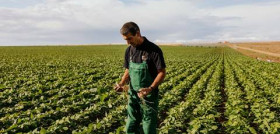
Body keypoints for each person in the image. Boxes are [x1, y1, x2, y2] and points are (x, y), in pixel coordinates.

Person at [114, 21, 166, 134]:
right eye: (125, 40)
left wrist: (150, 88)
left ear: (138, 33)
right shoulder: (129, 50)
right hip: (133, 93)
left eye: (130, 38)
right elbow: (128, 69)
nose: (128, 42)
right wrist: (121, 83)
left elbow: (161, 72)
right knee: (131, 123)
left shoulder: (154, 50)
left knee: (148, 125)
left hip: (148, 96)